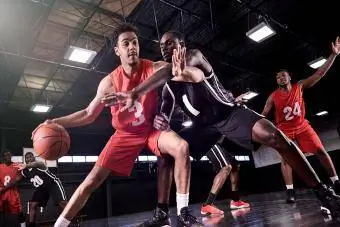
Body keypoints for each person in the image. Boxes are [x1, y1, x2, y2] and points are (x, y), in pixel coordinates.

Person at [103, 31, 340, 225]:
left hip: (229, 113)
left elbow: (173, 70)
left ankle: (323, 192)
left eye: (170, 44)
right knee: (164, 153)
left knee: (275, 137)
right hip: (203, 126)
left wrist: (135, 92)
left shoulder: (194, 56)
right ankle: (162, 211)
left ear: (182, 44)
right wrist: (161, 120)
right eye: (162, 46)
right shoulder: (168, 83)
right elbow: (165, 106)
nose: (165, 49)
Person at [33, 23, 203, 227]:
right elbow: (88, 114)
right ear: (117, 50)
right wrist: (55, 121)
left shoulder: (152, 67)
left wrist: (180, 71)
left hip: (151, 129)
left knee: (182, 147)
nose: (132, 47)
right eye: (126, 43)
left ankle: (183, 212)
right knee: (91, 181)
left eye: (135, 42)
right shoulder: (109, 82)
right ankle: (59, 225)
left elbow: (182, 73)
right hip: (125, 135)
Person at [262, 37, 340, 203]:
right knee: (286, 159)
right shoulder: (272, 96)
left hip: (302, 126)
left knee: (320, 150)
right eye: (277, 77)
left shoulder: (300, 86)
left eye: (283, 75)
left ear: (289, 77)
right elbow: (262, 115)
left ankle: (336, 182)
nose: (280, 78)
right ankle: (290, 191)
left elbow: (319, 73)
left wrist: (333, 55)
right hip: (284, 129)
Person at [13, 152, 67, 227]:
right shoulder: (25, 171)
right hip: (41, 188)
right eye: (26, 157)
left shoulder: (40, 164)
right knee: (32, 204)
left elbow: (36, 164)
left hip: (52, 184)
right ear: (25, 159)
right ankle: (32, 225)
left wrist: (26, 165)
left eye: (30, 157)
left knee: (62, 203)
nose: (28, 158)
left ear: (34, 158)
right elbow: (17, 178)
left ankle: (68, 221)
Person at [0, 150, 26, 227]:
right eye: (6, 155)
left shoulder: (16, 166)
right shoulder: (0, 166)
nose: (8, 157)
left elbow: (18, 179)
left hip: (12, 192)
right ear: (3, 157)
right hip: (1, 192)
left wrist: (4, 188)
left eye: (9, 155)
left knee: (19, 211)